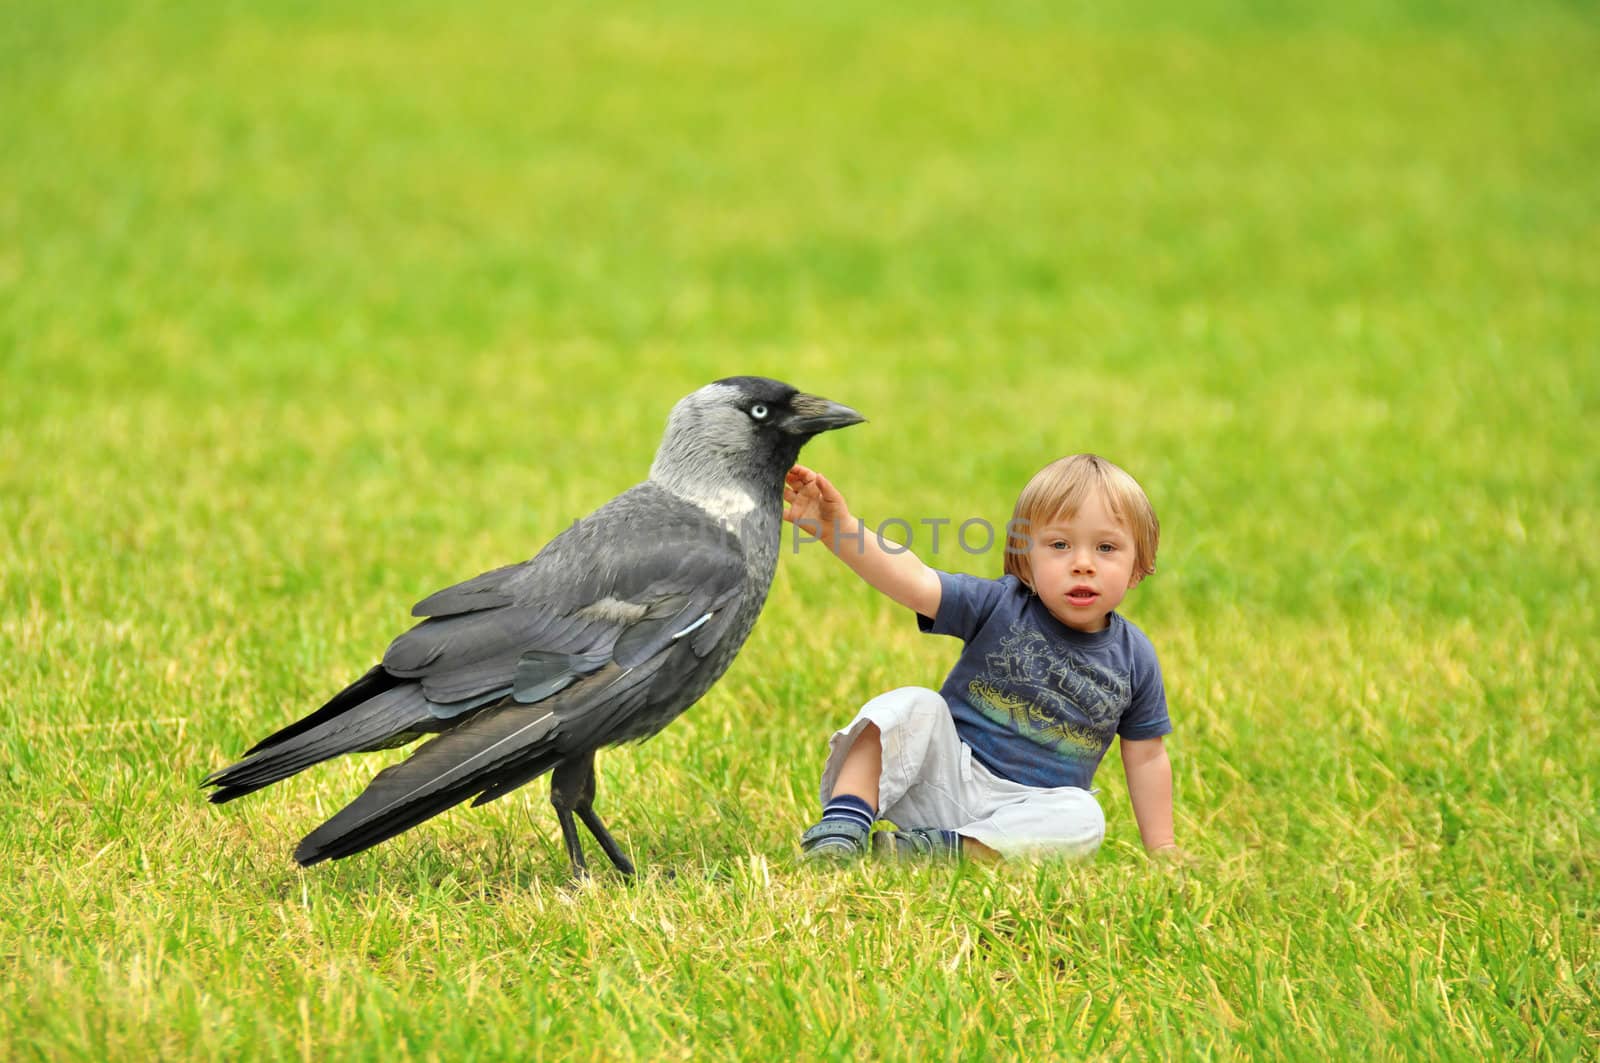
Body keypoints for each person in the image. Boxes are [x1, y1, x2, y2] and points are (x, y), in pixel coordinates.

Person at [785, 454, 1176, 863]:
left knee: (1085, 817)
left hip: (1027, 813)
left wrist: (1162, 846)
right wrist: (839, 529)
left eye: (1106, 547)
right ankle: (842, 828)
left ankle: (937, 851)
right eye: (1059, 545)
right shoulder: (1000, 605)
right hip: (947, 777)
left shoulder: (1135, 658)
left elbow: (1147, 754)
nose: (1082, 564)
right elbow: (915, 581)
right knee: (913, 704)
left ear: (1137, 567)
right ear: (1026, 558)